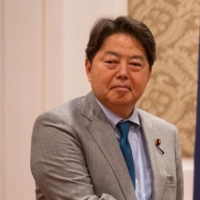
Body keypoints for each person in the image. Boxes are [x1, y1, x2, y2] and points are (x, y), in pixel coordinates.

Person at [31, 16, 184, 200]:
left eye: (135, 64)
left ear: (148, 74)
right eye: (111, 62)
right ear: (89, 68)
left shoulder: (166, 134)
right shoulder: (57, 127)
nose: (123, 73)